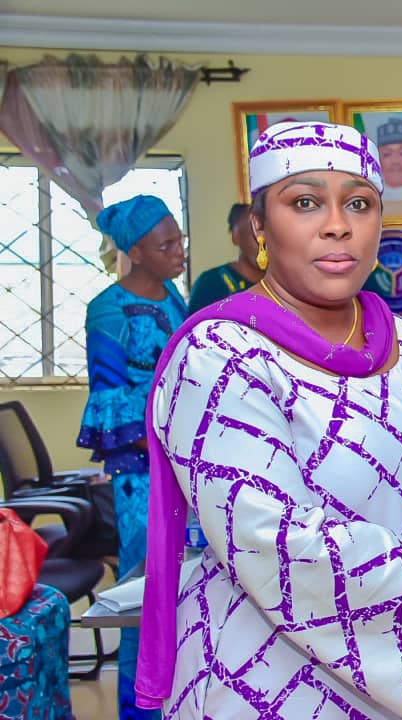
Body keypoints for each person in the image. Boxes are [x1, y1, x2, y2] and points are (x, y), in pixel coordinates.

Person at [135, 121, 402, 719]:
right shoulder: (220, 355)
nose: (337, 224)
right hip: (261, 681)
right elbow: (276, 541)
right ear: (259, 227)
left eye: (358, 203)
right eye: (305, 202)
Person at [77, 194, 188, 720]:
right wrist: (168, 447)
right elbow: (109, 400)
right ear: (136, 253)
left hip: (179, 465)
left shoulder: (173, 298)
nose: (179, 251)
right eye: (166, 245)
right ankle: (138, 709)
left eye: (180, 239)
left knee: (184, 592)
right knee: (144, 598)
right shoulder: (108, 309)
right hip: (141, 474)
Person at [186, 203, 264, 312]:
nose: (263, 242)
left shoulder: (281, 284)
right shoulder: (210, 284)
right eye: (255, 234)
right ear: (236, 236)